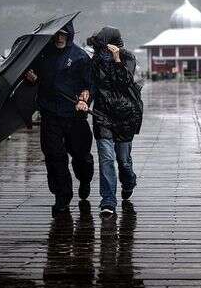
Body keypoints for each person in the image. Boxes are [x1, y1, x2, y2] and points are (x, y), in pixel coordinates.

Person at [24, 20, 94, 217]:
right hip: (50, 114)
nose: (60, 37)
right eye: (57, 34)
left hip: (74, 115)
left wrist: (83, 99)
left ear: (69, 34)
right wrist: (30, 80)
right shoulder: (42, 56)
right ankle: (62, 197)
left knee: (81, 156)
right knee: (54, 157)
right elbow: (35, 81)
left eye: (64, 33)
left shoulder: (80, 56)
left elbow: (88, 84)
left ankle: (85, 179)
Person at [87, 26, 143, 217]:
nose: (102, 50)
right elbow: (92, 86)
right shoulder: (95, 61)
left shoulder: (128, 58)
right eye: (99, 47)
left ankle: (129, 182)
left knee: (124, 161)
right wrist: (83, 100)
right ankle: (108, 200)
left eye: (104, 46)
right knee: (106, 158)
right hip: (102, 115)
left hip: (125, 115)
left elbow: (125, 82)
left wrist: (117, 59)